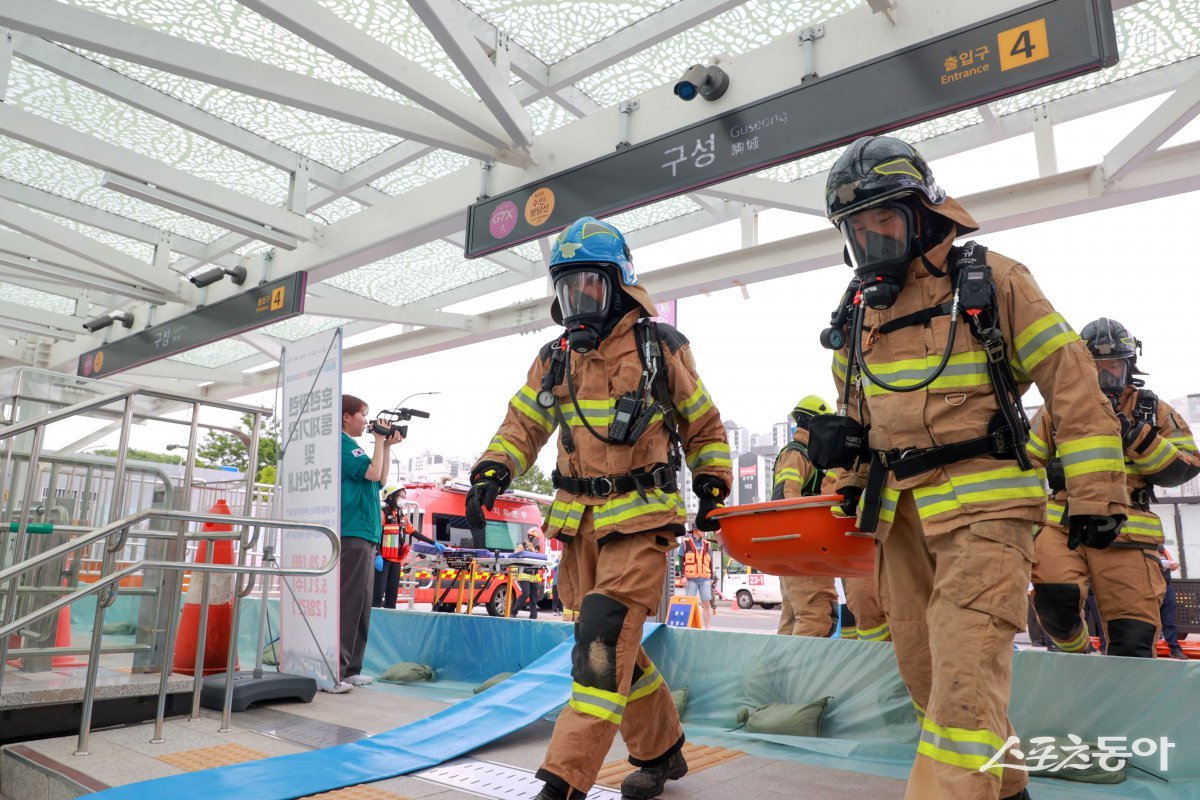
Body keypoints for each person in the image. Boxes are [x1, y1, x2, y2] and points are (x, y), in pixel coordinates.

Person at [817, 136, 1127, 800]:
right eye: (858, 233)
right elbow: (857, 415)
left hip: (987, 516)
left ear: (924, 213)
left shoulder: (994, 282)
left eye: (885, 225)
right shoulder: (857, 314)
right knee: (933, 685)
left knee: (961, 691)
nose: (872, 245)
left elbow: (1071, 384)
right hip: (901, 519)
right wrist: (842, 466)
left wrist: (1097, 495)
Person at [464, 216, 731, 800]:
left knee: (601, 648)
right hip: (576, 527)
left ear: (619, 284)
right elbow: (522, 424)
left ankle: (562, 781)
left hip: (640, 523)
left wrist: (713, 481)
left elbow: (704, 423)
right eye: (567, 288)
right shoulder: (554, 357)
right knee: (613, 648)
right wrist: (494, 467)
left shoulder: (661, 348)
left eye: (590, 285)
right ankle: (662, 751)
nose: (578, 299)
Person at [1027, 318, 1199, 658]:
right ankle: (1077, 658)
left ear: (1128, 366)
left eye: (1114, 366)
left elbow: (1184, 468)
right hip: (1064, 526)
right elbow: (1027, 463)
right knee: (1055, 604)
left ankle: (1125, 703)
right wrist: (1030, 526)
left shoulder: (1153, 411)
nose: (1107, 376)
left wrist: (1136, 435)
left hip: (1130, 536)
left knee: (1133, 641)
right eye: (1098, 367)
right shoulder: (1056, 410)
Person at [771, 395, 889, 642]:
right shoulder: (799, 455)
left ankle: (782, 677)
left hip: (795, 549)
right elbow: (786, 500)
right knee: (816, 614)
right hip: (805, 550)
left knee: (794, 618)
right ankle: (802, 678)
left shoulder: (810, 457)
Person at [337, 394, 402, 692]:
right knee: (349, 602)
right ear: (346, 416)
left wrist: (385, 445)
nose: (366, 420)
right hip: (352, 530)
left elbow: (380, 478)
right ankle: (336, 669)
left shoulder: (355, 446)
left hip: (366, 533)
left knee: (362, 604)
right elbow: (373, 473)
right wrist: (378, 440)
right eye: (362, 414)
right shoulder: (341, 444)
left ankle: (351, 668)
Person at [375, 486, 442, 609]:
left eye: (404, 497)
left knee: (392, 595)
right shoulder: (382, 514)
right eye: (400, 496)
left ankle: (389, 620)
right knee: (378, 593)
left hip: (395, 561)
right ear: (390, 497)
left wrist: (433, 543)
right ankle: (373, 619)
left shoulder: (401, 516)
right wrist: (377, 554)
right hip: (383, 560)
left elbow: (414, 532)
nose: (403, 500)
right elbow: (375, 536)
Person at [1158, 544, 1188, 660]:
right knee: (1150, 620)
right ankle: (1149, 648)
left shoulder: (1161, 548)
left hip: (1166, 586)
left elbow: (1173, 564)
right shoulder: (1143, 547)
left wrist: (1173, 564)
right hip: (1150, 587)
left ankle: (1174, 649)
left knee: (1169, 620)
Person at [681, 527, 713, 629]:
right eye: (702, 529)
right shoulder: (685, 542)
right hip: (690, 579)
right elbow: (681, 560)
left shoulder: (707, 544)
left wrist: (712, 578)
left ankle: (708, 628)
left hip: (705, 579)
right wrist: (683, 576)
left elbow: (710, 562)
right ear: (695, 530)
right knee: (689, 604)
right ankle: (689, 627)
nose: (704, 531)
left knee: (706, 604)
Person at [514, 530, 546, 619]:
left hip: (534, 575)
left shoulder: (536, 548)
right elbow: (514, 555)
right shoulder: (522, 545)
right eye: (536, 538)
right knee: (526, 593)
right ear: (531, 537)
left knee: (534, 595)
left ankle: (533, 615)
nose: (537, 540)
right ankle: (513, 611)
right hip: (524, 573)